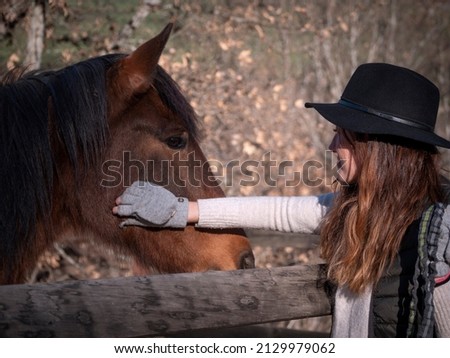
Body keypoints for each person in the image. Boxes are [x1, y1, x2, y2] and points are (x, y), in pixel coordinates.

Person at [113, 63, 450, 338]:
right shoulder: (353, 209)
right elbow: (280, 211)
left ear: (376, 148)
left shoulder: (439, 234)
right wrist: (181, 210)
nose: (332, 147)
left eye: (342, 136)